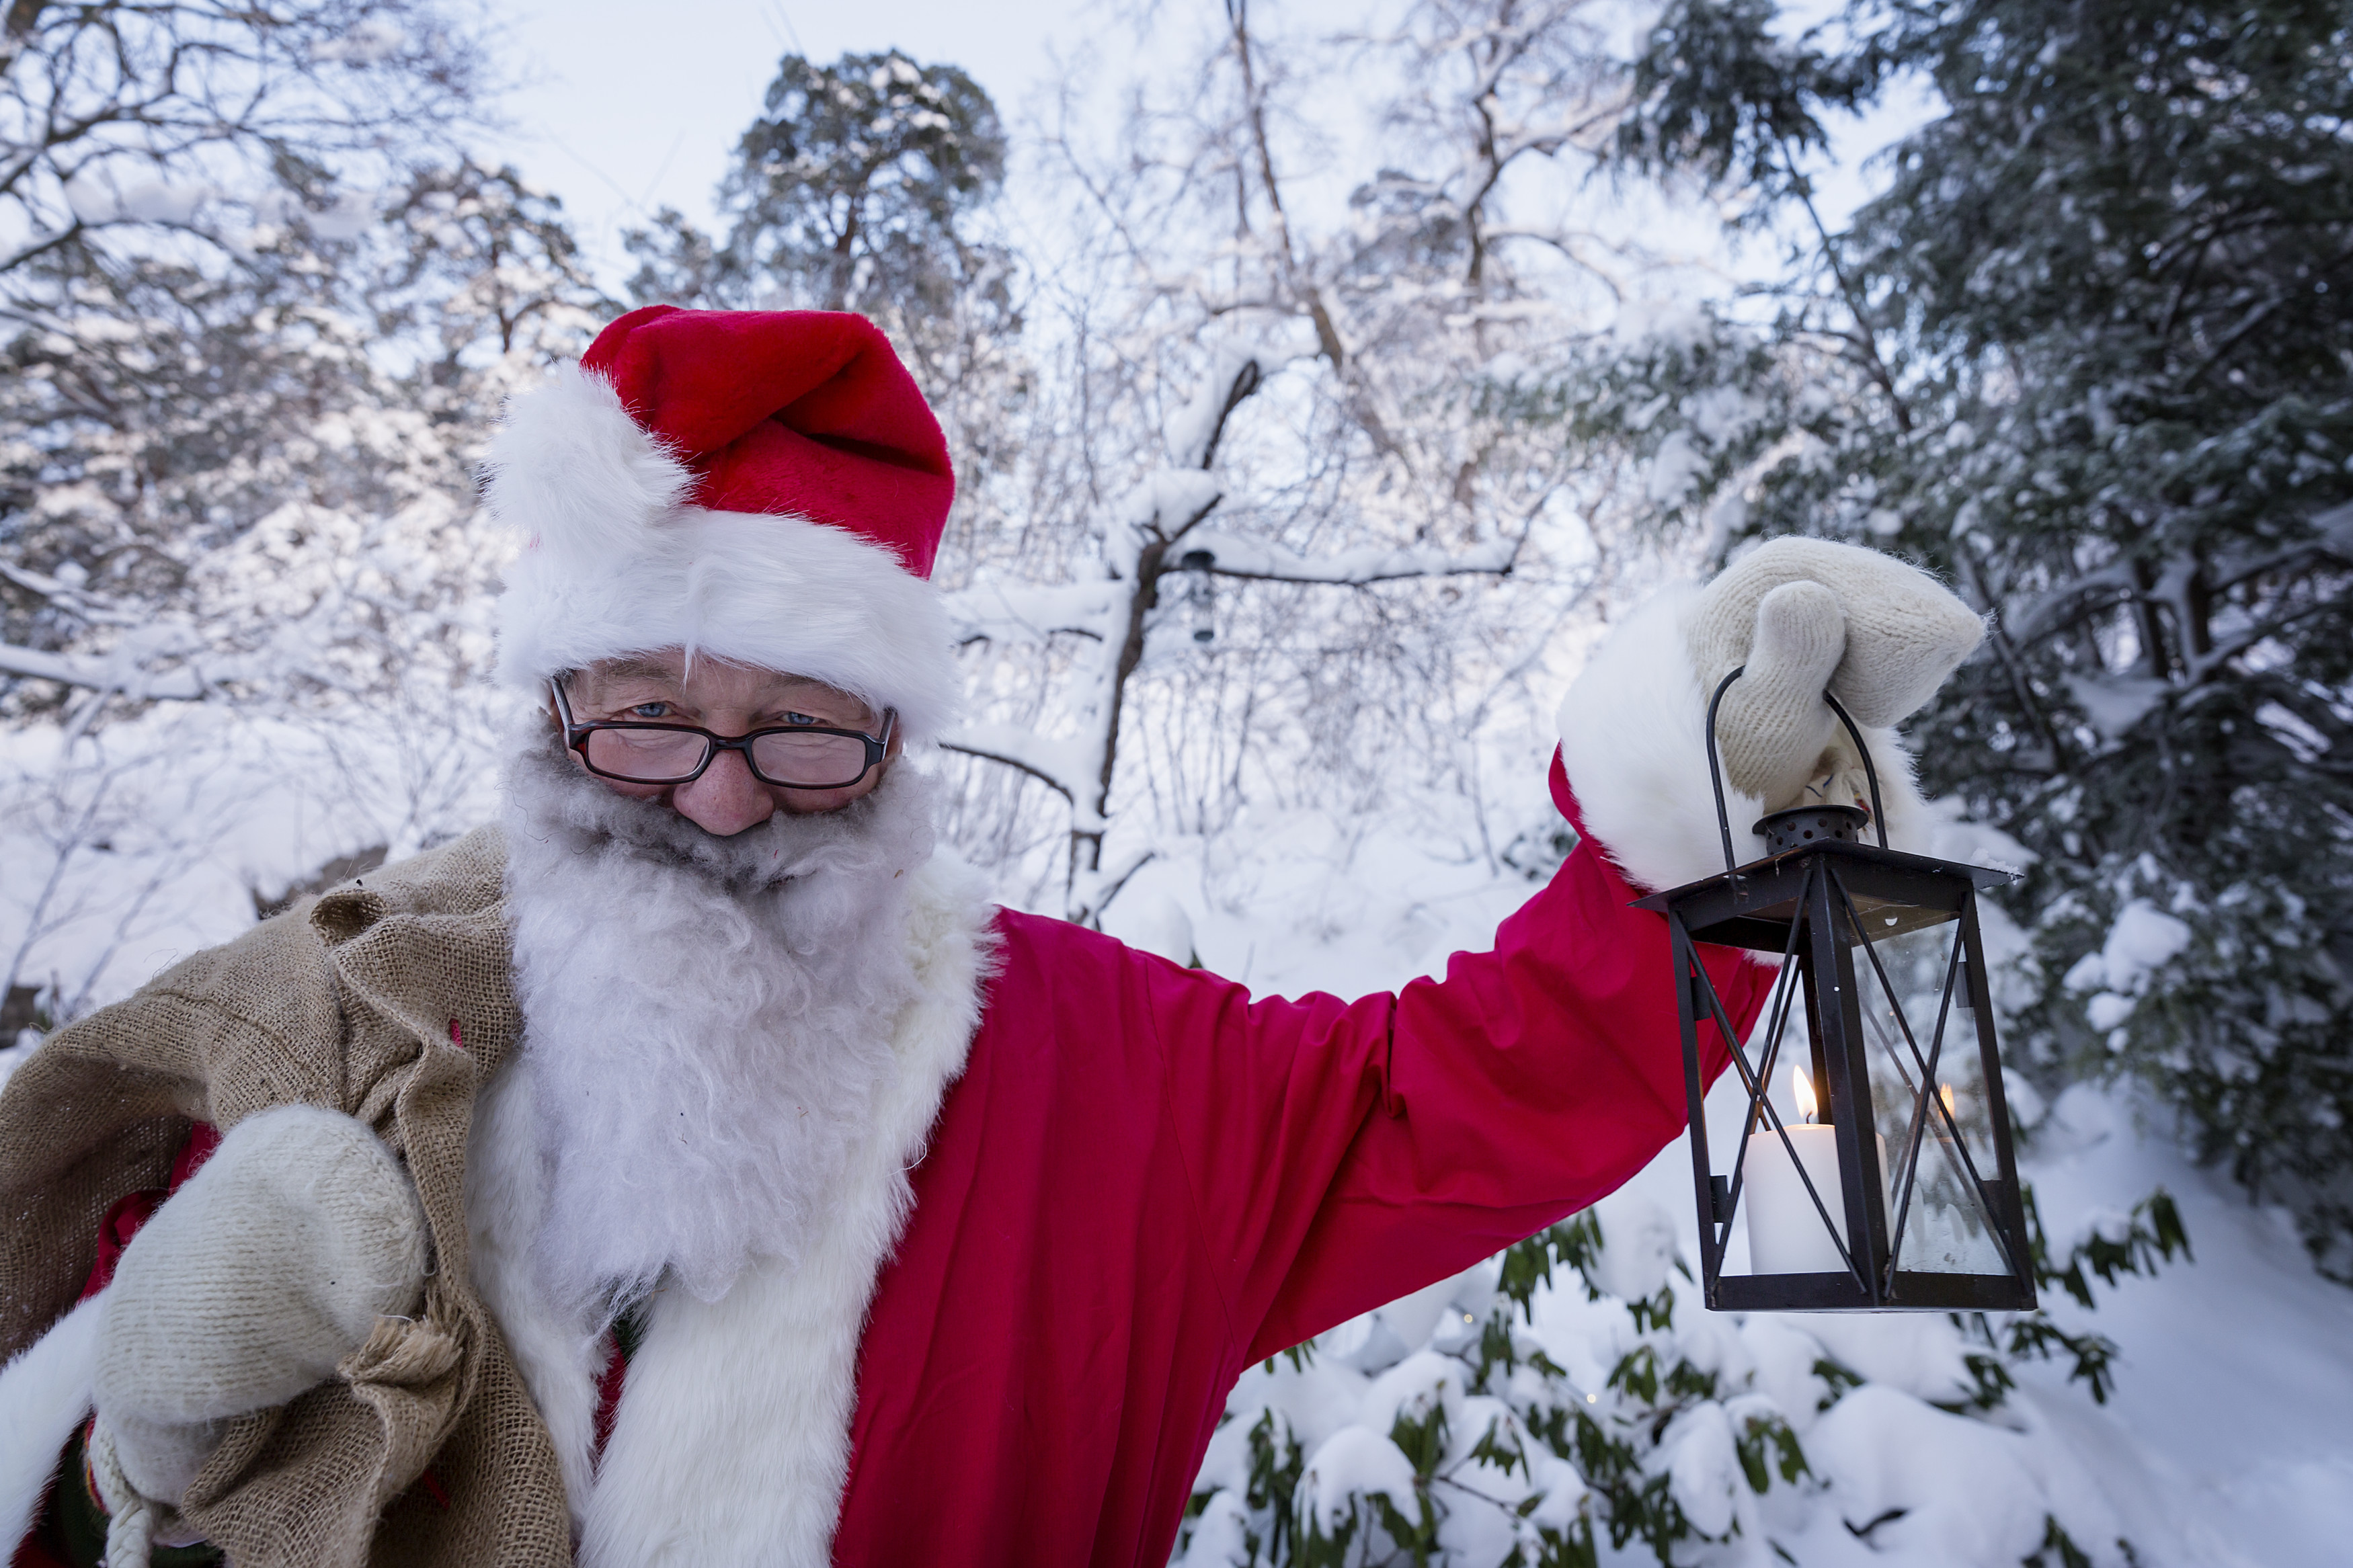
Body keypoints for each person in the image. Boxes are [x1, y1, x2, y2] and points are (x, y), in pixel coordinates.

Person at [0, 306, 1984, 1568]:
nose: (711, 790)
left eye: (793, 722)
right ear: (547, 719)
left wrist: (1694, 822)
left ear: (891, 742)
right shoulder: (321, 1030)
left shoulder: (1123, 1078)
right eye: (644, 716)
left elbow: (1463, 1092)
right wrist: (161, 1416)